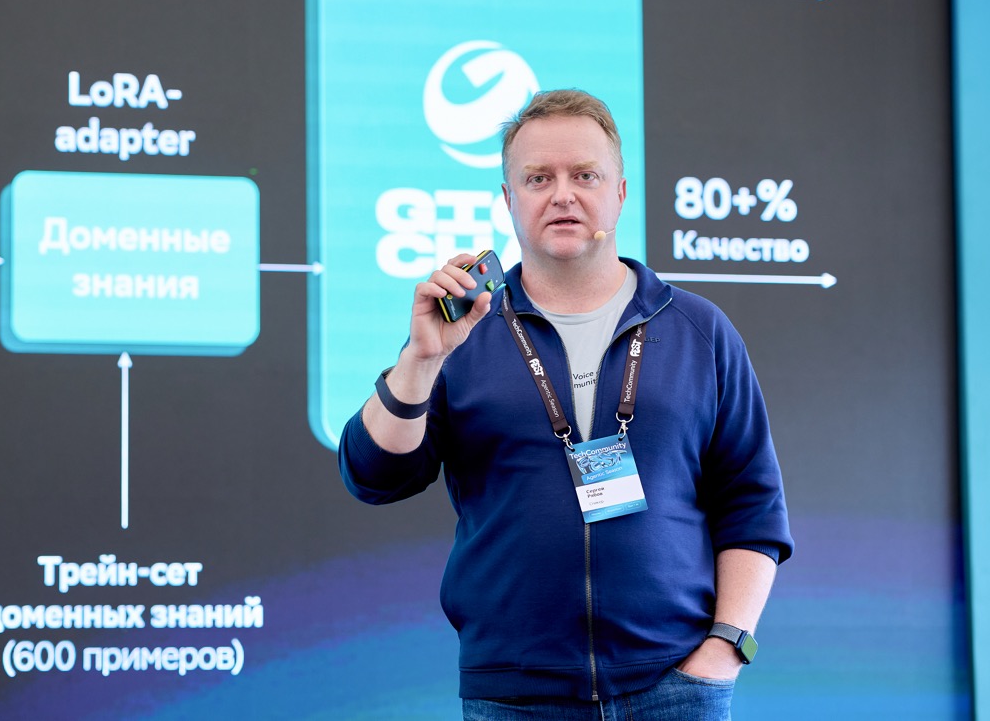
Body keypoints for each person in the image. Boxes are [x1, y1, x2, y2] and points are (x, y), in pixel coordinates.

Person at [339, 89, 792, 720]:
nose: (562, 195)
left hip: (676, 687)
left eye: (585, 175)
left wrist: (725, 647)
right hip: (514, 694)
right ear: (508, 200)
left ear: (620, 193)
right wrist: (420, 359)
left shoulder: (699, 330)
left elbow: (753, 506)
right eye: (538, 178)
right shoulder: (461, 333)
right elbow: (374, 476)